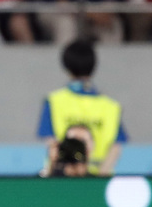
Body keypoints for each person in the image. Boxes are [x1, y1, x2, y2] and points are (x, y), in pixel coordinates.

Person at [37, 40, 127, 176]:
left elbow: (52, 143)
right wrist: (100, 178)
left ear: (66, 66)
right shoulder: (110, 106)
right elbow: (115, 148)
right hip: (97, 181)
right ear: (94, 66)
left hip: (62, 179)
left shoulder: (54, 101)